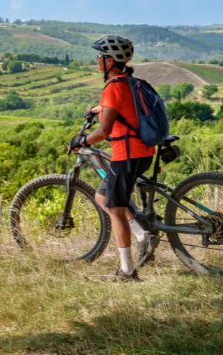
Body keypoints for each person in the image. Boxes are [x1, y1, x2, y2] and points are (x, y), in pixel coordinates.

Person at [70, 35, 160, 281]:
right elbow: (121, 108)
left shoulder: (112, 87)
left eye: (100, 56)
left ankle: (127, 272)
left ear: (110, 60)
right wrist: (96, 109)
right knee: (103, 196)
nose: (97, 60)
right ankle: (143, 235)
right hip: (142, 151)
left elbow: (104, 132)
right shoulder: (128, 82)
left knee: (115, 209)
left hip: (127, 155)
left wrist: (82, 141)